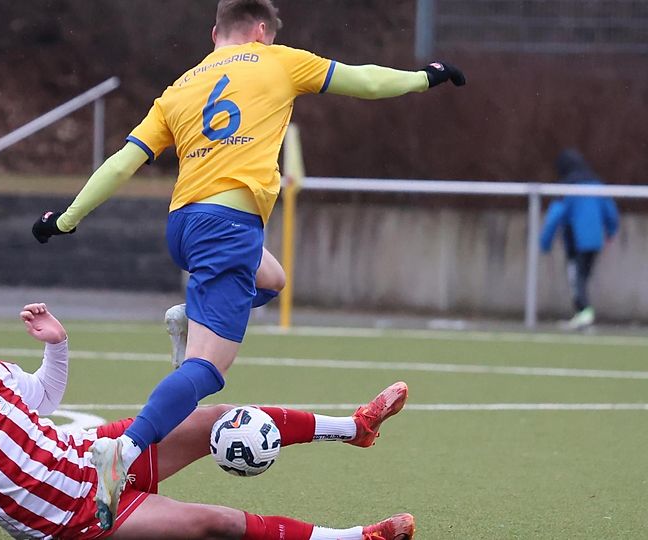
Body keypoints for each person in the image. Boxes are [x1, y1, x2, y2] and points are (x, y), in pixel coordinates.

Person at [30, 0, 463, 526]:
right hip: (229, 229)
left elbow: (123, 161)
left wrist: (66, 221)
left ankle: (193, 321)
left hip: (186, 226)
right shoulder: (276, 59)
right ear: (262, 31)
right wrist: (424, 77)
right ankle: (124, 450)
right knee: (208, 371)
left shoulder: (181, 86)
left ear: (215, 33)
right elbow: (365, 82)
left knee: (272, 278)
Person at [0, 303, 415, 540]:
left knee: (219, 419)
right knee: (217, 521)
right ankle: (356, 537)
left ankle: (356, 426)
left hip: (101, 454)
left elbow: (44, 395)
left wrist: (57, 346)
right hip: (80, 518)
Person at [540, 149, 620, 330]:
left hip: (577, 241)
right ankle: (582, 313)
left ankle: (584, 312)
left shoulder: (568, 188)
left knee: (577, 277)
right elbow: (610, 211)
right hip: (594, 240)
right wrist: (611, 230)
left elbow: (555, 216)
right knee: (581, 276)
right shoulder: (597, 185)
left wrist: (545, 242)